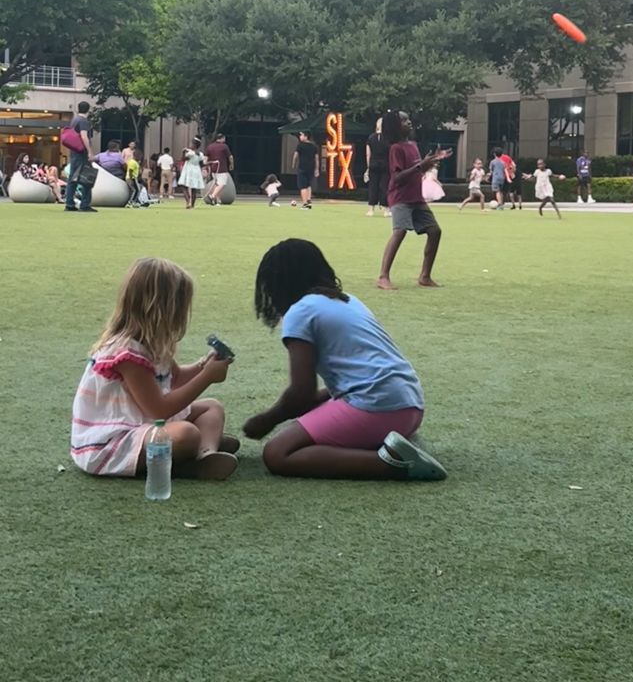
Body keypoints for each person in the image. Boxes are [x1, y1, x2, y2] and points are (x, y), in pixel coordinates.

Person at [242, 239, 446, 481]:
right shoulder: (347, 300)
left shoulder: (300, 312)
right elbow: (340, 386)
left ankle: (395, 464)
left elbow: (301, 393)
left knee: (278, 453)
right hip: (410, 408)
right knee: (307, 423)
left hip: (377, 409)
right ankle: (391, 446)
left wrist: (267, 419)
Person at [70, 257, 238, 480]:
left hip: (140, 424)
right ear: (161, 308)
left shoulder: (154, 344)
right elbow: (159, 410)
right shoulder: (126, 354)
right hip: (109, 443)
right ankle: (189, 459)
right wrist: (207, 377)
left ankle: (206, 453)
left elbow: (175, 379)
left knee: (211, 407)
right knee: (186, 434)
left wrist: (202, 366)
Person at [377, 110, 451, 290]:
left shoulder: (412, 145)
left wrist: (432, 160)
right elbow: (397, 177)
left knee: (435, 231)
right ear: (395, 126)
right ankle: (383, 276)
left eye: (408, 119)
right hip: (400, 197)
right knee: (400, 231)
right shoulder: (396, 148)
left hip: (416, 197)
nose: (409, 122)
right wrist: (420, 166)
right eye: (404, 120)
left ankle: (425, 276)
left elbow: (419, 169)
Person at [64, 101, 96, 213]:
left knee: (72, 178)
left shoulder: (74, 120)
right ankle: (85, 204)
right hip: (81, 152)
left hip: (74, 152)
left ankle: (69, 203)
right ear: (88, 109)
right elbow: (84, 136)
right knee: (87, 177)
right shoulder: (83, 121)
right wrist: (90, 152)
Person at [365, 118, 391, 217]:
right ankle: (386, 210)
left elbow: (368, 154)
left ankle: (371, 209)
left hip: (373, 164)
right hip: (385, 164)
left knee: (373, 186)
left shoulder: (371, 138)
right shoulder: (389, 138)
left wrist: (368, 167)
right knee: (385, 186)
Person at [205, 133, 234, 206]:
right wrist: (231, 165)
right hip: (222, 168)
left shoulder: (210, 146)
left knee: (216, 184)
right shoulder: (224, 146)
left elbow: (205, 158)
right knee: (222, 183)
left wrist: (206, 165)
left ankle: (217, 201)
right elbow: (230, 157)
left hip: (213, 168)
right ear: (222, 138)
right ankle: (212, 196)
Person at [292, 131, 319, 209]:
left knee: (302, 186)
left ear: (306, 136)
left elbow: (295, 156)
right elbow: (316, 159)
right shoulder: (314, 147)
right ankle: (309, 201)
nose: (300, 137)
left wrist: (293, 164)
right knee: (308, 185)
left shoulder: (300, 146)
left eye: (301, 135)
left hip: (302, 168)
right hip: (311, 168)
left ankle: (305, 204)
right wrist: (316, 169)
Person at [178, 139, 206, 209]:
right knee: (194, 188)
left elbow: (183, 159)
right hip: (196, 170)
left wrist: (183, 152)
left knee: (183, 185)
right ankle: (192, 204)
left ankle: (188, 202)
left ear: (194, 145)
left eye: (191, 144)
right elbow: (202, 164)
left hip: (188, 169)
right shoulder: (200, 154)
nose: (190, 145)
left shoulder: (191, 153)